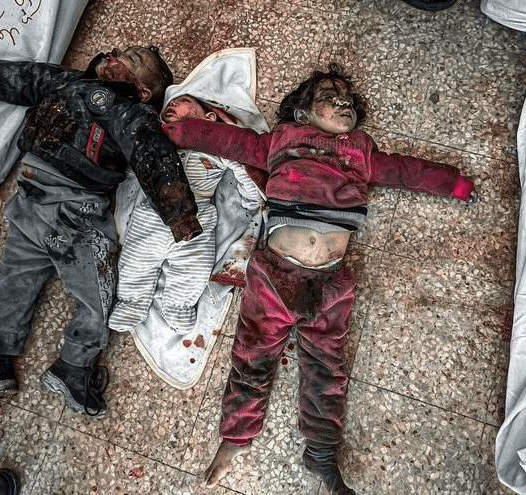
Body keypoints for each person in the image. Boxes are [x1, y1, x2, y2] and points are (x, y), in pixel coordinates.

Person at [163, 63, 476, 494]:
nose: (343, 101)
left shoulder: (360, 151)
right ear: (302, 113)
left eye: (348, 99)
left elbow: (407, 170)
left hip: (330, 283)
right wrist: (181, 131)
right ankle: (234, 439)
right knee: (252, 358)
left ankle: (322, 453)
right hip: (274, 275)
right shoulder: (282, 140)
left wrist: (453, 183)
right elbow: (233, 142)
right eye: (329, 96)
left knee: (327, 369)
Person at [0, 46, 202, 416]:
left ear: (143, 92)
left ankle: (74, 365)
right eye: (122, 50)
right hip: (29, 203)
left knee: (94, 293)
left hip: (75, 213)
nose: (117, 52)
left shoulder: (127, 109)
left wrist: (180, 216)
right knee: (13, 280)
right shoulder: (64, 81)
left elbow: (153, 155)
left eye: (131, 61)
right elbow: (11, 77)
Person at [108, 93, 260, 334]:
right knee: (137, 260)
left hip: (198, 216)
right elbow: (135, 158)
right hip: (155, 212)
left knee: (194, 266)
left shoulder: (216, 150)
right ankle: (131, 302)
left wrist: (249, 195)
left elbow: (245, 176)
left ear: (209, 118)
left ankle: (178, 305)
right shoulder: (160, 140)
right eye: (170, 104)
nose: (173, 104)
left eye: (184, 101)